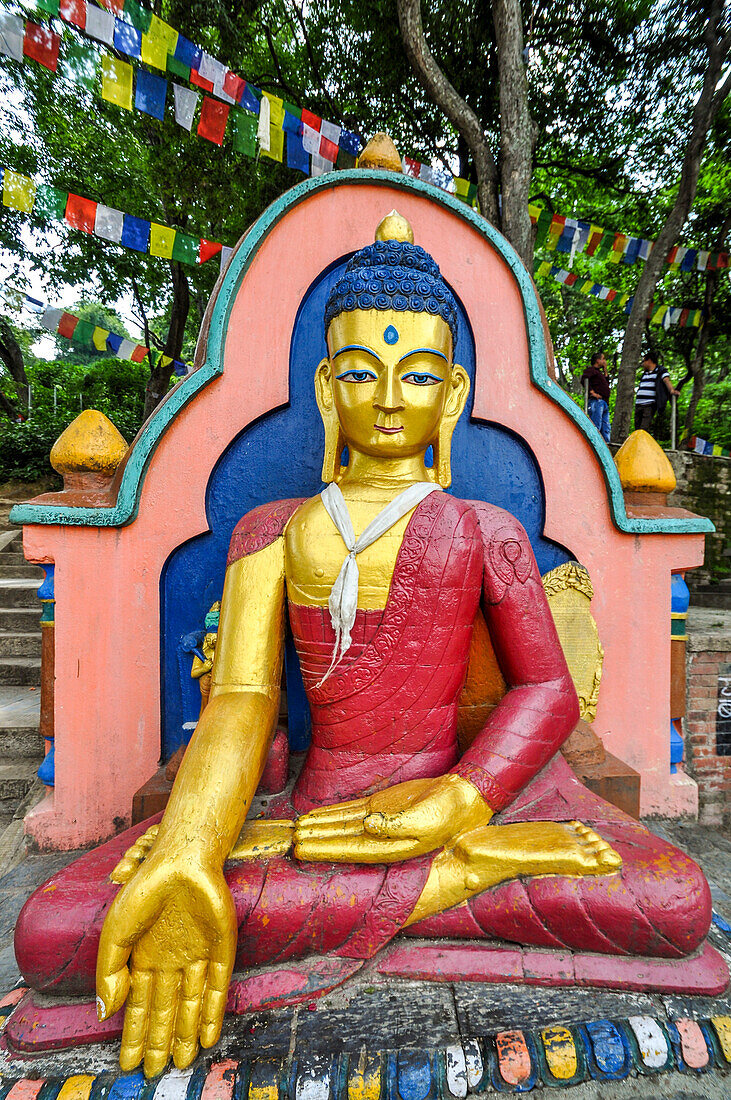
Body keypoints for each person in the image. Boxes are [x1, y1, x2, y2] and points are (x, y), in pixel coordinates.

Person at [15, 214, 711, 1079]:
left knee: (673, 899)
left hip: (448, 800)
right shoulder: (270, 534)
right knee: (55, 930)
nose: (388, 398)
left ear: (451, 396)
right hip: (310, 816)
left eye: (417, 377)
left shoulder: (482, 529)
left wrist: (458, 802)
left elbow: (546, 692)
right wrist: (193, 845)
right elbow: (240, 700)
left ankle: (446, 864)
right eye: (361, 372)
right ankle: (459, 882)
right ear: (325, 389)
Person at [635, 351, 679, 436]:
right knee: (637, 429)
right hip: (638, 404)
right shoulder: (645, 373)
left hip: (649, 404)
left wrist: (672, 390)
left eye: (644, 361)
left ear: (649, 361)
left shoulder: (660, 371)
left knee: (643, 429)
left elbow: (666, 380)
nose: (643, 364)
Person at [581, 351, 611, 442]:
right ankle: (594, 443)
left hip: (604, 402)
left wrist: (605, 370)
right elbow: (584, 379)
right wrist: (592, 392)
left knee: (605, 427)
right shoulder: (591, 370)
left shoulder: (599, 373)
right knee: (596, 425)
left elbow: (606, 383)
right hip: (596, 402)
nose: (604, 361)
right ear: (598, 360)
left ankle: (606, 445)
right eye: (603, 359)